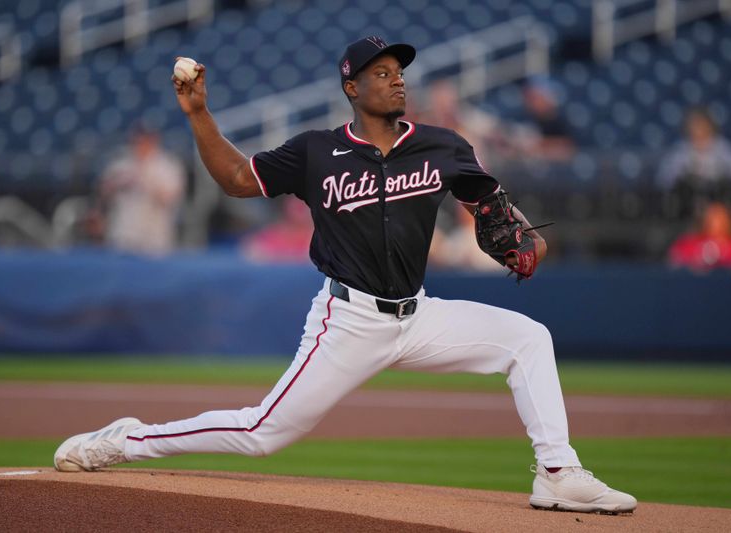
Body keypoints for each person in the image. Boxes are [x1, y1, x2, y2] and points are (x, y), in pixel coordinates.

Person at [54, 37, 636, 514]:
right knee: (263, 433)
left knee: (528, 337)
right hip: (349, 320)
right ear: (352, 88)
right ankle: (126, 440)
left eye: (399, 70)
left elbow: (490, 202)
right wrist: (200, 114)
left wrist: (521, 233)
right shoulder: (316, 153)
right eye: (381, 72)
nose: (397, 79)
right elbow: (235, 177)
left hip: (419, 314)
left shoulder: (440, 146)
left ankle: (557, 471)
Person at [96, 127, 186, 255]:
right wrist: (118, 184)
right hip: (123, 234)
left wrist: (146, 182)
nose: (140, 145)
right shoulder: (121, 164)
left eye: (144, 140)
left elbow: (170, 199)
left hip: (154, 238)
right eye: (137, 140)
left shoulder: (167, 166)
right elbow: (104, 192)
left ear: (154, 141)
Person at [656, 107, 731, 218]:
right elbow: (665, 178)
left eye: (701, 125)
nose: (698, 130)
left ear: (710, 126)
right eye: (694, 126)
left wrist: (719, 174)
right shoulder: (681, 151)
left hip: (717, 200)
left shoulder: (722, 148)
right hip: (688, 204)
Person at [667, 201, 731, 271]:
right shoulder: (689, 244)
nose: (716, 222)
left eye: (720, 217)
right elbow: (674, 261)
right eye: (713, 216)